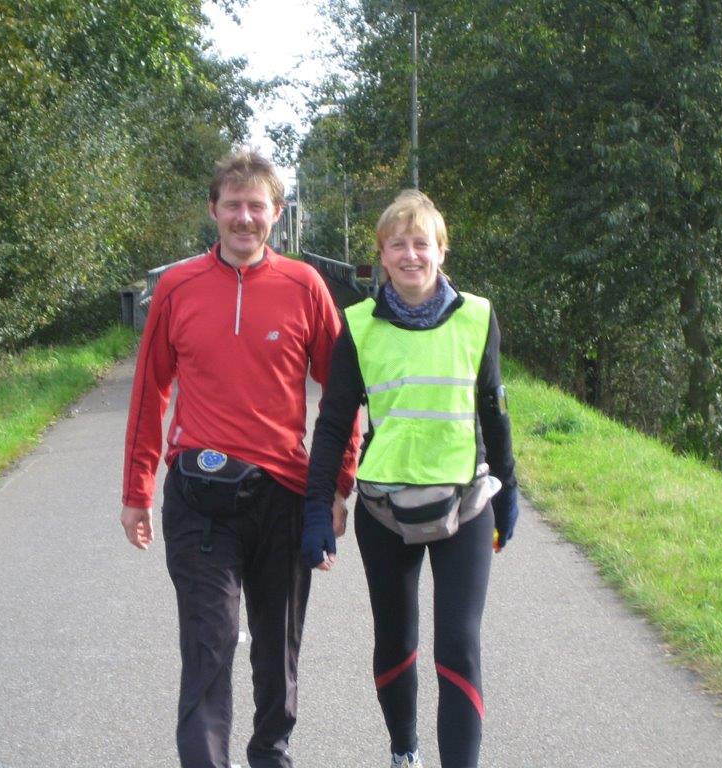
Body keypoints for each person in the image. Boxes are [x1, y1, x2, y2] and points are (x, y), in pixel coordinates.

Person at [121, 148, 360, 768]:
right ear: (213, 210)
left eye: (257, 206)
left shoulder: (304, 287)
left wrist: (339, 485)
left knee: (277, 652)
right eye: (233, 205)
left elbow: (341, 396)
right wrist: (137, 490)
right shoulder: (177, 288)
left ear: (277, 213)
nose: (244, 218)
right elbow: (150, 391)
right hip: (199, 499)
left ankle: (271, 754)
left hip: (283, 496)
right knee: (210, 644)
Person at [301, 189, 519, 768]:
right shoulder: (359, 327)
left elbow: (494, 408)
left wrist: (509, 488)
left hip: (465, 505)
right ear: (381, 255)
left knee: (458, 647)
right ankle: (404, 752)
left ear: (441, 251)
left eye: (421, 243)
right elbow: (333, 423)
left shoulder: (477, 316)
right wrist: (319, 505)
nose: (410, 255)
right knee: (395, 642)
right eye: (397, 244)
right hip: (383, 511)